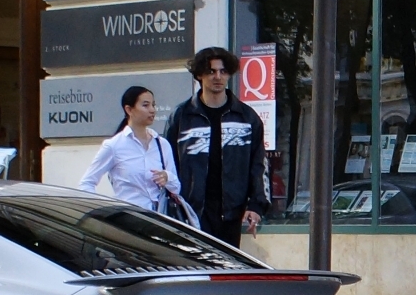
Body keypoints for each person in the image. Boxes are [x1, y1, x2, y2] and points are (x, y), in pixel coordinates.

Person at [164, 47, 271, 246]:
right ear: (199, 75)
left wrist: (256, 205)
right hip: (191, 210)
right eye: (211, 71)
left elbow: (259, 164)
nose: (218, 77)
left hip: (232, 211)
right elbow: (167, 163)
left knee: (226, 271)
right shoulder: (182, 116)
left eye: (223, 71)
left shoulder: (247, 117)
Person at [78, 85, 196, 225]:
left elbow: (176, 187)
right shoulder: (114, 145)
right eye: (145, 105)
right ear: (129, 110)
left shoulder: (161, 144)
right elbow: (87, 183)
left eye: (153, 105)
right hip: (128, 221)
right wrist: (103, 211)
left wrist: (167, 177)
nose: (152, 110)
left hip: (161, 221)